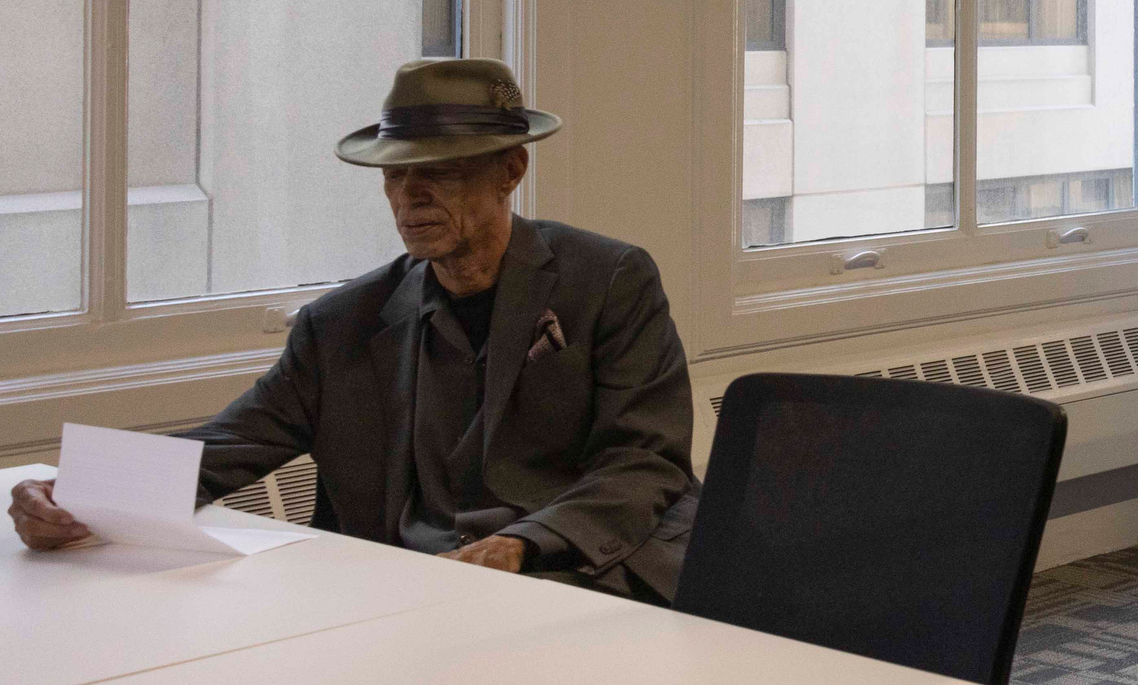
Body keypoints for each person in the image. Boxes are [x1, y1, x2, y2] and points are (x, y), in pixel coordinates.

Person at [9, 59, 699, 600]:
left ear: (510, 172)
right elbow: (227, 444)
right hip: (397, 592)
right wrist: (73, 494)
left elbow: (644, 460)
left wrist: (521, 544)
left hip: (573, 577)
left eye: (441, 174)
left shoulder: (608, 281)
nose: (411, 196)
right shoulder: (341, 325)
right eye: (396, 175)